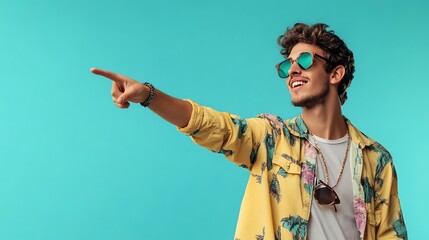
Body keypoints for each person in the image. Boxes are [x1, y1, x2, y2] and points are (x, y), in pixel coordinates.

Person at [91, 23, 407, 240]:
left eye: (305, 60)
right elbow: (213, 126)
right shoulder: (271, 138)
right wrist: (148, 95)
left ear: (336, 73)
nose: (292, 70)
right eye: (287, 66)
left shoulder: (376, 159)